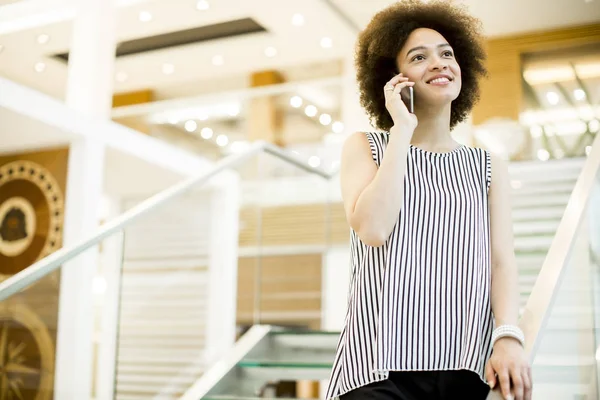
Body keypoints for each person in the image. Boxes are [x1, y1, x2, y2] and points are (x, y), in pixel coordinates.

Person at [325, 1, 532, 399]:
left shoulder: (486, 165)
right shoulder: (367, 147)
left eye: (447, 54)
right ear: (393, 78)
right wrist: (402, 127)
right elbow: (372, 228)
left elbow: (502, 260)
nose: (439, 63)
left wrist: (508, 335)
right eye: (419, 57)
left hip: (464, 366)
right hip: (376, 368)